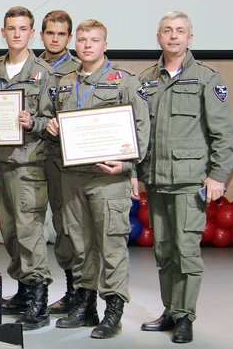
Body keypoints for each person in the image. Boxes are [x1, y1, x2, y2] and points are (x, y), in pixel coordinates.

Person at [47, 19, 149, 339]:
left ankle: (113, 312)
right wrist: (52, 126)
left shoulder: (124, 82)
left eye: (94, 40)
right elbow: (58, 121)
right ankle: (86, 306)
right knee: (80, 245)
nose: (87, 45)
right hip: (72, 176)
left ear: (105, 45)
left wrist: (128, 163)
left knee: (111, 246)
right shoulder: (65, 82)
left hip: (108, 179)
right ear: (75, 44)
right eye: (82, 39)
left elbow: (141, 128)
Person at [138, 11, 233, 344]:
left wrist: (218, 176)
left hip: (190, 182)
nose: (173, 36)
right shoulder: (146, 80)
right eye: (167, 30)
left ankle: (185, 317)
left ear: (190, 38)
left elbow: (223, 134)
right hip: (156, 179)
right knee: (164, 251)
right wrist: (136, 173)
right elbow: (139, 132)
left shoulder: (207, 78)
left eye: (180, 31)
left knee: (187, 252)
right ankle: (170, 310)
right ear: (158, 37)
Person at [0, 6, 53, 330]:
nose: (16, 34)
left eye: (22, 28)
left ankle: (39, 300)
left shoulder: (43, 72)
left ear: (32, 33)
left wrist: (33, 121)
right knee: (10, 232)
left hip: (28, 164)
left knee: (29, 232)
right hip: (0, 163)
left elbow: (52, 119)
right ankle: (25, 291)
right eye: (11, 28)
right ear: (3, 32)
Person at [38, 10, 81, 314]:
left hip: (64, 160)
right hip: (29, 155)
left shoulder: (79, 69)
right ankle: (29, 289)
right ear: (42, 34)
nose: (55, 39)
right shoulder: (30, 66)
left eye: (61, 34)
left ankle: (74, 293)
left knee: (67, 227)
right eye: (50, 33)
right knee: (26, 228)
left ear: (69, 37)